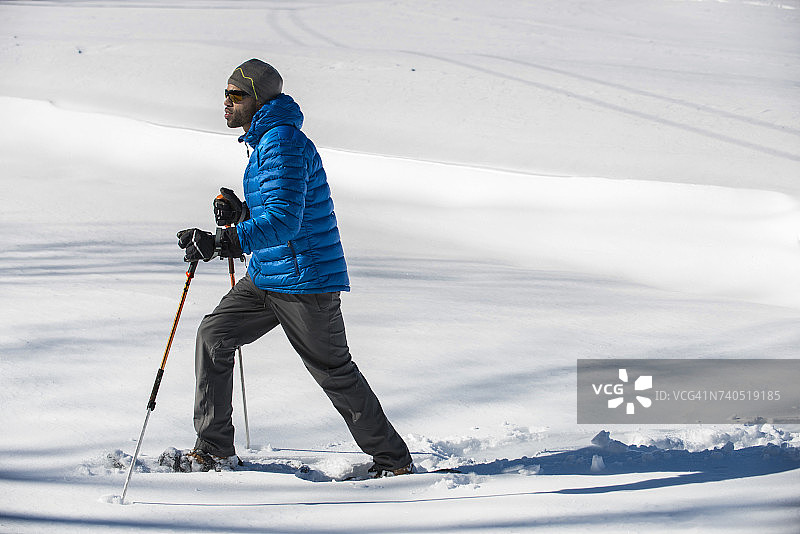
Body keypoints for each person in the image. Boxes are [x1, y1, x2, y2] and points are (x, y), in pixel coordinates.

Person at [176, 59, 412, 477]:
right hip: (269, 275)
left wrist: (222, 242)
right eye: (225, 94)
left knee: (334, 373)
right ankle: (214, 448)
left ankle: (393, 461)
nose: (226, 103)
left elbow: (286, 221)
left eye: (236, 94)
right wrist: (242, 211)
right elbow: (279, 209)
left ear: (258, 99)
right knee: (215, 334)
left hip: (305, 280)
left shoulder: (281, 142)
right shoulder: (266, 140)